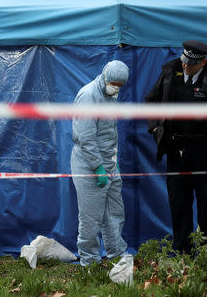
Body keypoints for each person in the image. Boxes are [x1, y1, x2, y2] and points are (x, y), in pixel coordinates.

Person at [145, 40, 207, 254]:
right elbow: (151, 101)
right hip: (176, 150)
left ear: (203, 62)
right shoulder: (170, 72)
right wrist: (154, 129)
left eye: (191, 64)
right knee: (179, 204)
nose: (186, 66)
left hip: (205, 152)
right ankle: (182, 251)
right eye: (184, 61)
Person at [71, 60, 129, 266]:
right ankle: (89, 263)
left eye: (120, 85)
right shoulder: (88, 96)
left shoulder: (110, 95)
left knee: (114, 213)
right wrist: (97, 167)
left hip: (109, 164)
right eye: (114, 83)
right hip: (88, 165)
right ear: (104, 77)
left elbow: (108, 134)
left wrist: (113, 162)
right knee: (90, 219)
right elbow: (85, 138)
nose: (116, 88)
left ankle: (117, 257)